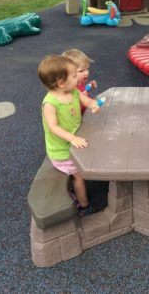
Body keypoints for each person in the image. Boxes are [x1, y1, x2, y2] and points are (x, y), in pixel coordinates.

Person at [38, 54, 101, 217]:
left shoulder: (72, 91)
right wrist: (73, 138)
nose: (78, 78)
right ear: (60, 82)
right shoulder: (50, 104)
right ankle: (84, 205)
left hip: (75, 138)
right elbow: (53, 127)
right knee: (78, 175)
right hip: (61, 150)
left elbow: (86, 101)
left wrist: (93, 105)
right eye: (74, 76)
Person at [62, 48, 97, 113]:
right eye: (81, 71)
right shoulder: (69, 88)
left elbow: (83, 88)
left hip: (86, 107)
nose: (87, 73)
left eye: (87, 69)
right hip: (78, 114)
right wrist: (79, 98)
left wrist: (90, 85)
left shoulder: (80, 82)